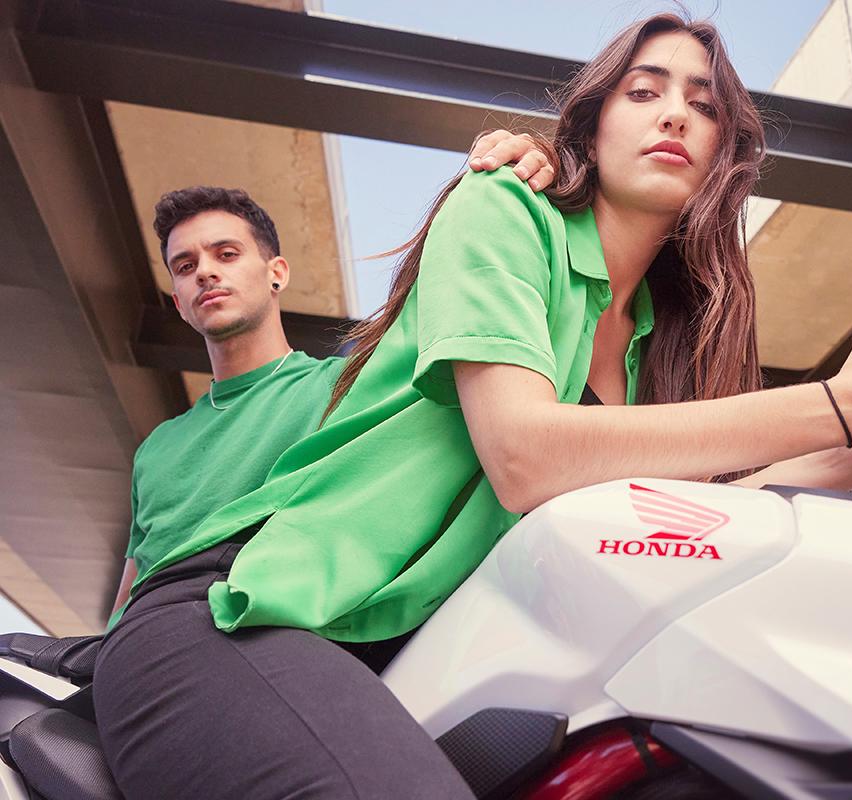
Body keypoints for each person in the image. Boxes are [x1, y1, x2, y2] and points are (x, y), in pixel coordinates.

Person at [93, 13, 852, 800]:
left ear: (724, 158)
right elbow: (525, 455)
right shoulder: (506, 208)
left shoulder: (657, 341)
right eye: (644, 91)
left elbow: (688, 519)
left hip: (400, 666)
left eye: (704, 106)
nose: (676, 113)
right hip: (238, 619)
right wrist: (841, 403)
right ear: (593, 127)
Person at [110, 131, 557, 622]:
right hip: (143, 639)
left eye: (227, 254)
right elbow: (128, 593)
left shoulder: (348, 386)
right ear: (178, 303)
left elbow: (463, 341)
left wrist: (522, 172)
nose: (205, 272)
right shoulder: (156, 448)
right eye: (185, 265)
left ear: (277, 273)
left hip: (262, 619)